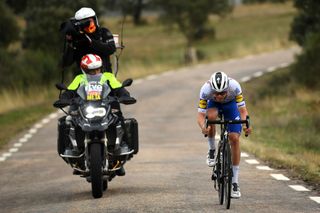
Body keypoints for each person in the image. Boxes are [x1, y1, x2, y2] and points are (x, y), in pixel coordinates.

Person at [58, 54, 135, 176]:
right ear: (84, 69)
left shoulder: (108, 76)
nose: (95, 72)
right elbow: (70, 91)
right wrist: (64, 98)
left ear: (101, 67)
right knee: (68, 120)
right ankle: (74, 152)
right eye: (91, 70)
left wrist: (125, 95)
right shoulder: (79, 79)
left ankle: (121, 149)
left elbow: (118, 87)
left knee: (119, 118)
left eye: (97, 69)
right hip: (85, 106)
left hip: (105, 105)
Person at [197, 71, 252, 198]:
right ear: (212, 90)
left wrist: (246, 125)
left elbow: (243, 110)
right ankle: (211, 149)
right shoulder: (205, 90)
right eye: (216, 93)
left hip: (230, 106)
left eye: (222, 93)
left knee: (234, 139)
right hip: (213, 105)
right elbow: (200, 115)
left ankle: (235, 182)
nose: (220, 96)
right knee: (211, 117)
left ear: (227, 88)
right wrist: (203, 127)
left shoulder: (235, 87)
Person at [60, 7, 116, 73]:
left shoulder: (103, 32)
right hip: (83, 78)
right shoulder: (77, 38)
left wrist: (90, 41)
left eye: (88, 21)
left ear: (95, 20)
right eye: (82, 22)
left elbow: (111, 49)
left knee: (116, 83)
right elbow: (66, 63)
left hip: (105, 75)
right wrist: (70, 44)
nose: (86, 25)